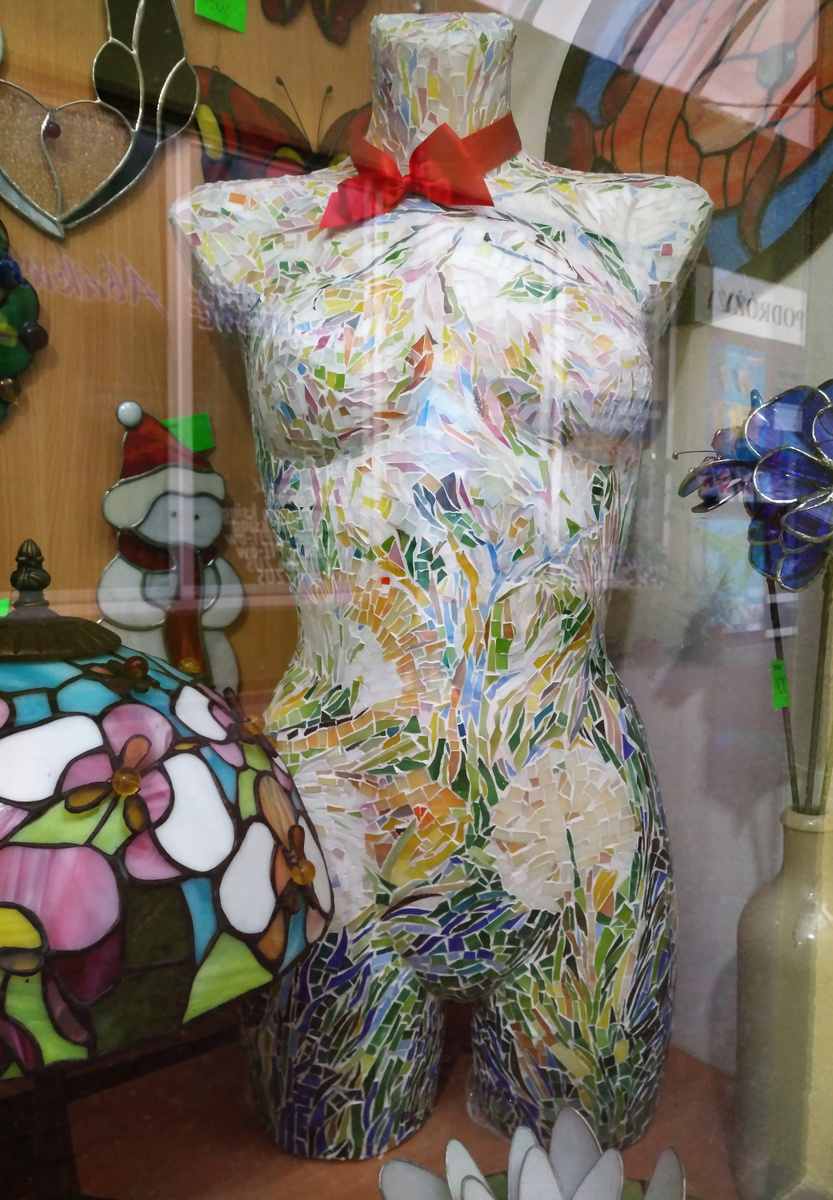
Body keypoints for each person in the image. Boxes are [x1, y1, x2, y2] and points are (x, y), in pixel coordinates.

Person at [172, 12, 710, 1160]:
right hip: (337, 819)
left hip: (574, 814)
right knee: (324, 1148)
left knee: (578, 1168)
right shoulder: (246, 227)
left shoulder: (643, 219)